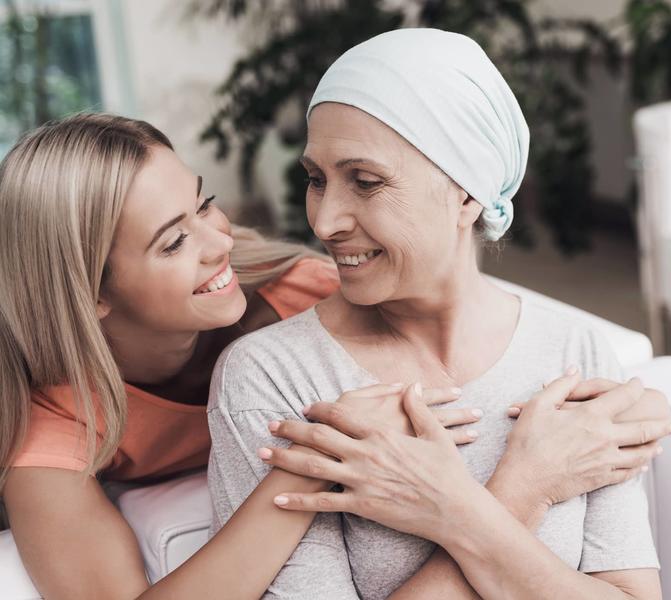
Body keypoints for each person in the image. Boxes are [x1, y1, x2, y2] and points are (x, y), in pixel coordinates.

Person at [207, 28, 668, 599]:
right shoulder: (275, 379)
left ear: (468, 192)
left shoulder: (573, 355)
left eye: (365, 181)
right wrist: (520, 490)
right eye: (316, 179)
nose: (324, 222)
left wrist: (461, 512)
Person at [0, 113, 482, 599]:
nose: (221, 242)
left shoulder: (307, 298)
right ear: (89, 292)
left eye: (203, 205)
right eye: (174, 242)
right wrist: (312, 458)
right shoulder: (53, 421)